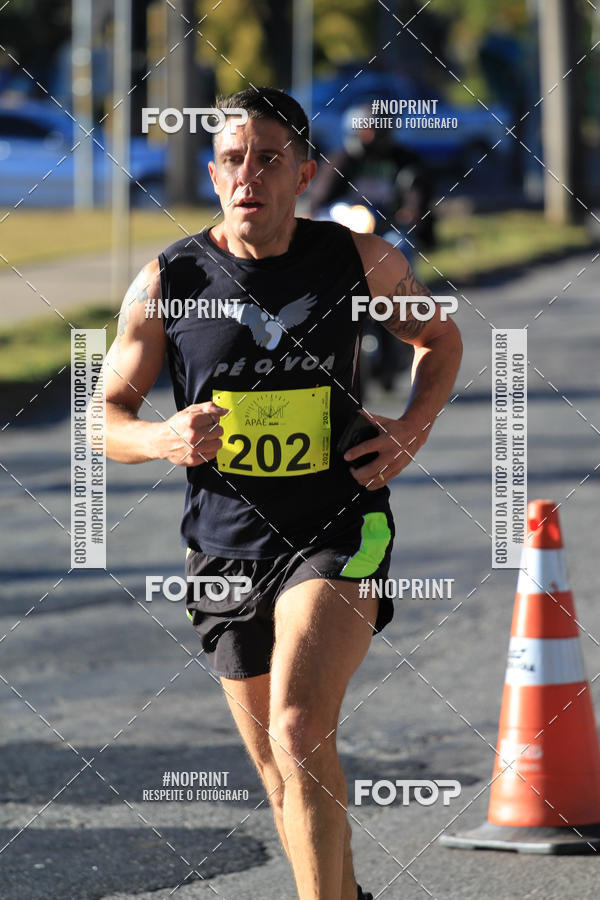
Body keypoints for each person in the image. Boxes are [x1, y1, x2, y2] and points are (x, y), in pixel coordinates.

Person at [102, 87, 462, 900]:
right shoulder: (169, 279)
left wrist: (413, 427)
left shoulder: (355, 260)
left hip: (340, 526)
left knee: (299, 731)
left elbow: (438, 336)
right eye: (233, 159)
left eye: (269, 159)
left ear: (304, 173)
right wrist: (161, 438)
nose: (249, 175)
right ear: (212, 173)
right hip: (223, 549)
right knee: (278, 768)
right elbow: (103, 418)